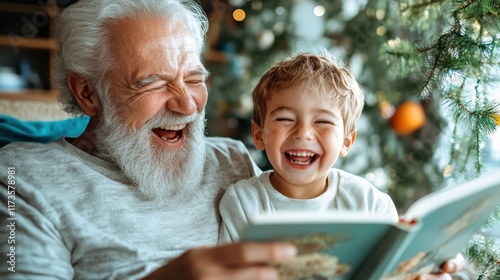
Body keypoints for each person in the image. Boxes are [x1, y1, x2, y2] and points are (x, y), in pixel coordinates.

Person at [0, 0, 464, 279]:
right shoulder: (22, 180)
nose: (186, 105)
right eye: (152, 82)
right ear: (87, 92)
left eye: (194, 78)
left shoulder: (229, 159)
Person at [219, 52, 399, 243]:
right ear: (258, 135)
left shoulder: (369, 204)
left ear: (346, 142)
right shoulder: (242, 203)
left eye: (322, 121)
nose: (303, 133)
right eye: (284, 119)